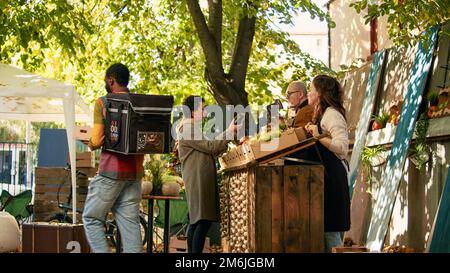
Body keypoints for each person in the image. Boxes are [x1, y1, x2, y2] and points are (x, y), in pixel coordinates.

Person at [82, 63, 144, 253]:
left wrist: (90, 143)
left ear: (111, 80)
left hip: (111, 172)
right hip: (135, 173)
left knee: (91, 218)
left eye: (106, 80)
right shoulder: (140, 102)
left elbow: (98, 138)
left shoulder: (102, 102)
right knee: (130, 224)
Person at [176, 96, 238, 253]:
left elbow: (209, 149)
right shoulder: (188, 128)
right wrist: (228, 132)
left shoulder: (191, 128)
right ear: (191, 111)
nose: (204, 113)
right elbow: (210, 147)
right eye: (201, 109)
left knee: (198, 221)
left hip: (198, 178)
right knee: (202, 221)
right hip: (198, 179)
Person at [304, 74, 351, 253]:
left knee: (331, 232)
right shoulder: (324, 114)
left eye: (311, 89)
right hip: (325, 180)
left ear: (320, 93)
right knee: (327, 231)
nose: (309, 93)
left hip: (332, 181)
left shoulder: (332, 114)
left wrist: (318, 136)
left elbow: (342, 147)